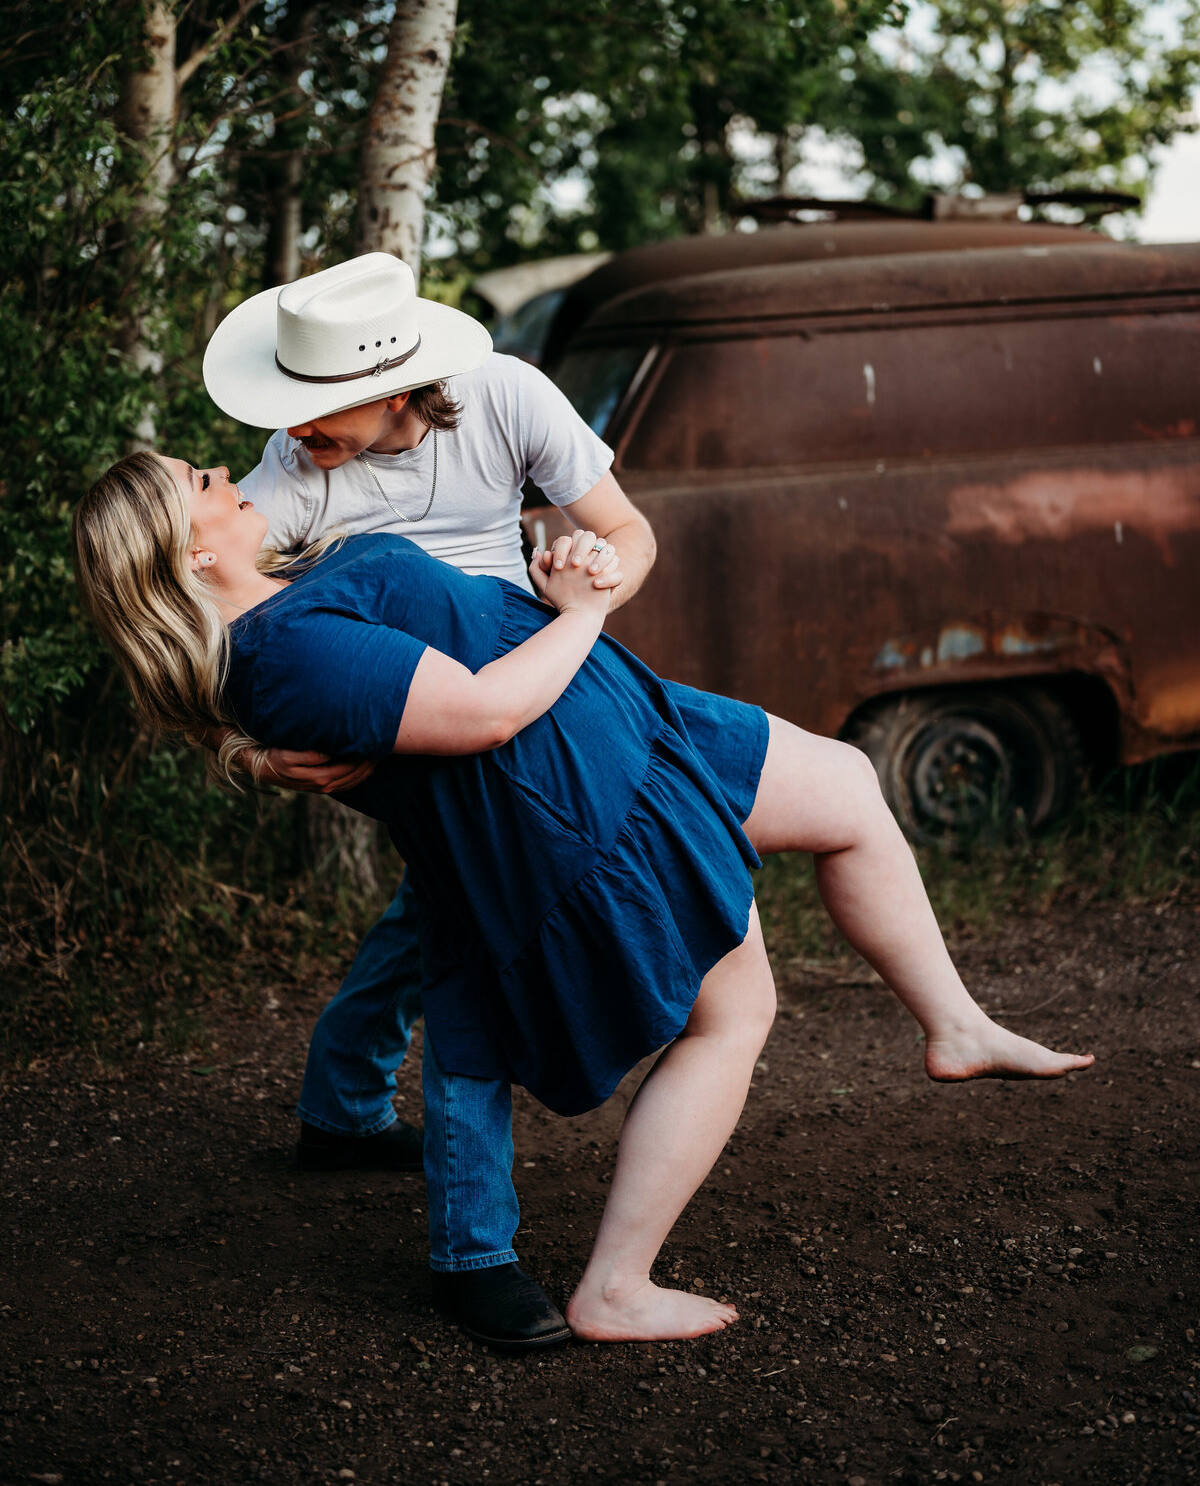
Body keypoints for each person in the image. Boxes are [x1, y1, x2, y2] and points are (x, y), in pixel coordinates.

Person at [71, 449, 1094, 1346]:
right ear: (191, 556)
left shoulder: (283, 590)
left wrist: (551, 580)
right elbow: (480, 712)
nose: (222, 475)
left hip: (622, 718)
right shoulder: (285, 651)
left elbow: (445, 633)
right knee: (734, 1011)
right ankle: (616, 1282)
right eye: (198, 483)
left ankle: (956, 1022)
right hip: (572, 786)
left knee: (848, 786)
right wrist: (587, 610)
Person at [202, 253, 657, 1348]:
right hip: (410, 715)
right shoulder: (291, 466)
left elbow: (631, 534)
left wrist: (590, 590)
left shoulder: (508, 396)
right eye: (287, 406)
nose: (292, 430)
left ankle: (340, 1108)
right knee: (471, 925)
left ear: (402, 384)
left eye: (318, 410)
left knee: (438, 906)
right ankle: (475, 1251)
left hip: (528, 670)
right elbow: (202, 622)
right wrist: (253, 756)